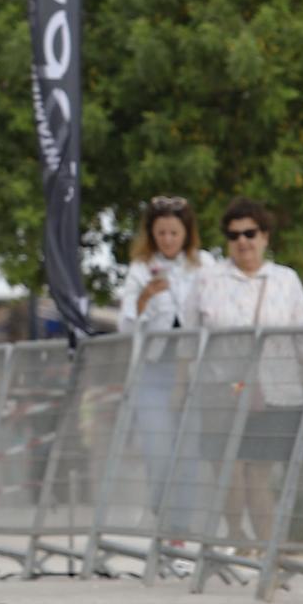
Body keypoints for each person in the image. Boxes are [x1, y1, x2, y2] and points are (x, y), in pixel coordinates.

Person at [190, 197, 303, 546]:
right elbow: (189, 338)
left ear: (264, 236)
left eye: (250, 233)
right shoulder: (207, 280)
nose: (242, 241)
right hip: (223, 389)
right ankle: (235, 539)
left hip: (276, 390)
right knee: (230, 468)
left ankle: (266, 547)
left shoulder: (286, 280)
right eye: (234, 235)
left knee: (259, 473)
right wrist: (183, 388)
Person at [117, 196, 207, 547]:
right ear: (152, 235)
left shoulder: (204, 266)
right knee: (158, 450)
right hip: (154, 371)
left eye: (174, 232)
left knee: (188, 452)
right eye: (161, 233)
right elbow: (127, 327)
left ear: (187, 233)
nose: (168, 239)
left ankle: (178, 534)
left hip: (191, 369)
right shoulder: (140, 269)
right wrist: (144, 299)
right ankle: (162, 512)